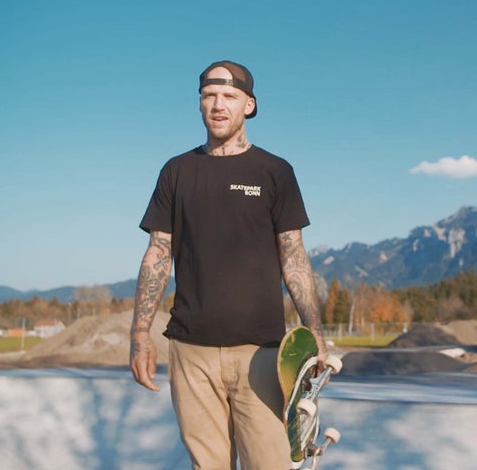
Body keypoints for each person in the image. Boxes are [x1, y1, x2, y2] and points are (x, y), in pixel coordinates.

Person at [129, 60, 328, 470]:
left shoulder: (274, 171)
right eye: (209, 96)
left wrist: (316, 332)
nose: (218, 105)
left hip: (260, 353)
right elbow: (157, 254)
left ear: (249, 105)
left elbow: (293, 255)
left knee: (270, 465)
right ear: (200, 104)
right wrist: (139, 333)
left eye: (229, 96)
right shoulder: (176, 171)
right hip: (190, 351)